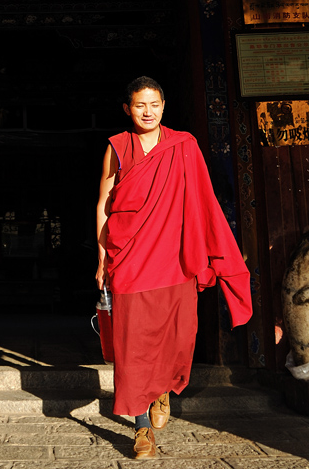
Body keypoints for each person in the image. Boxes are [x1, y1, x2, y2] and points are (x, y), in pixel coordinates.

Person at [95, 76, 252, 459]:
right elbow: (104, 203)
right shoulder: (117, 147)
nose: (147, 112)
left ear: (164, 106)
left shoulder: (184, 145)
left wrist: (210, 247)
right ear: (127, 109)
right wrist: (101, 259)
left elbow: (203, 200)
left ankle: (162, 387)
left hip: (175, 257)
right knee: (132, 344)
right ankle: (141, 430)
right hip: (129, 257)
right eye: (139, 105)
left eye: (154, 104)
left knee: (177, 335)